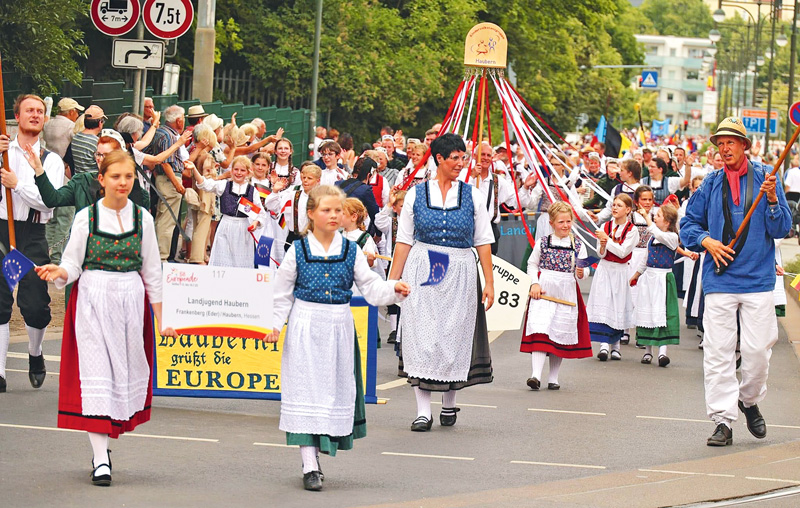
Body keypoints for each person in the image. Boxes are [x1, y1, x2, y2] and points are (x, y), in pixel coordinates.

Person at [34, 150, 176, 486]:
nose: (123, 182)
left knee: (119, 380)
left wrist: (161, 318)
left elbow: (152, 272)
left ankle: (104, 448)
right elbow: (72, 265)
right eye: (116, 176)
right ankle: (100, 459)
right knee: (96, 377)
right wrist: (60, 271)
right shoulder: (86, 218)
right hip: (93, 301)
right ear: (102, 180)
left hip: (129, 302)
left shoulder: (143, 219)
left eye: (128, 176)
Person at [265, 185, 408, 491]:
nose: (333, 215)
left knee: (330, 392)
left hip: (338, 326)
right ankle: (309, 464)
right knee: (306, 391)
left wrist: (395, 288)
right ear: (311, 214)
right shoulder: (298, 250)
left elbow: (371, 287)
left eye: (337, 210)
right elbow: (281, 294)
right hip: (306, 324)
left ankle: (316, 456)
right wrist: (276, 326)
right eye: (326, 210)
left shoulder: (351, 250)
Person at [680, 117, 791, 447]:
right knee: (718, 353)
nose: (724, 148)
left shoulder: (767, 178)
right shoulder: (710, 183)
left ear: (746, 146)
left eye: (731, 142)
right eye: (720, 143)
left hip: (757, 279)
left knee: (758, 352)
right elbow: (688, 224)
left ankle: (748, 399)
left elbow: (781, 228)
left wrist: (772, 201)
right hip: (719, 279)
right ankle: (722, 420)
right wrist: (705, 241)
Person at [388, 133, 495, 432]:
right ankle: (423, 411)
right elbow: (404, 240)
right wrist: (393, 280)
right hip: (423, 266)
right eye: (455, 158)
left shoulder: (472, 194)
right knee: (421, 337)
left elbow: (484, 240)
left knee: (453, 335)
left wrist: (489, 282)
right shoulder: (415, 194)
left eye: (463, 158)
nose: (461, 163)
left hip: (460, 268)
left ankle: (449, 403)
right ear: (439, 159)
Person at [0, 95, 64, 393]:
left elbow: (46, 202)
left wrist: (18, 184)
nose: (35, 115)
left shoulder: (51, 161)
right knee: (0, 301)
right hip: (3, 231)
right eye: (29, 110)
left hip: (32, 235)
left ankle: (36, 354)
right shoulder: (3, 152)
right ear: (17, 116)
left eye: (40, 111)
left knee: (35, 304)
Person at [521, 202, 592, 390]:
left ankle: (553, 378)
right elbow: (532, 264)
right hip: (544, 291)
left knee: (558, 332)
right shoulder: (543, 242)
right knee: (540, 328)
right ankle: (535, 375)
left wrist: (581, 272)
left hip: (566, 291)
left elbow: (585, 272)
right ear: (552, 223)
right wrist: (534, 283)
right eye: (561, 222)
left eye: (568, 221)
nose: (565, 225)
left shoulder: (577, 245)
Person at [586, 194, 639, 361]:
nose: (615, 208)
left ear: (628, 210)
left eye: (619, 205)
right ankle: (603, 345)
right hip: (605, 269)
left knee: (618, 304)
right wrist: (602, 246)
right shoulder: (605, 226)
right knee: (604, 302)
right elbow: (600, 254)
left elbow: (623, 252)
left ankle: (615, 346)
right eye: (614, 205)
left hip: (620, 271)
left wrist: (606, 241)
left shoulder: (633, 230)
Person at [189, 156, 265, 267]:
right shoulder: (224, 185)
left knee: (241, 262)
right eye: (236, 169)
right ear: (231, 170)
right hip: (225, 225)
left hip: (243, 228)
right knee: (223, 259)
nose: (239, 173)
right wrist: (194, 169)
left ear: (248, 172)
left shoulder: (252, 191)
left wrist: (255, 223)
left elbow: (261, 214)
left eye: (242, 170)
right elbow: (205, 184)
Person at [630, 204, 681, 367]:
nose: (654, 217)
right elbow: (646, 258)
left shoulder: (672, 237)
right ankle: (648, 351)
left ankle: (662, 352)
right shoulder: (653, 238)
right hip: (649, 278)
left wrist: (645, 217)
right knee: (648, 312)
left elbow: (656, 233)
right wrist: (636, 275)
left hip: (663, 278)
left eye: (658, 215)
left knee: (663, 314)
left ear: (667, 222)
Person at [148, 105, 186, 261]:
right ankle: (161, 257)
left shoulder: (160, 132)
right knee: (167, 221)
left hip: (162, 178)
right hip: (170, 179)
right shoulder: (170, 136)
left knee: (162, 218)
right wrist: (177, 184)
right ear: (178, 120)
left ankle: (157, 254)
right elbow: (165, 162)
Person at [467, 142, 517, 255]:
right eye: (482, 154)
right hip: (468, 230)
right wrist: (472, 177)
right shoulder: (465, 176)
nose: (485, 158)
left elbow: (515, 201)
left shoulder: (498, 181)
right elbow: (460, 196)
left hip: (490, 231)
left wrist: (526, 187)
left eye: (488, 155)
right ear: (474, 156)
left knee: (489, 268)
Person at [266, 162, 322, 253]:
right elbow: (273, 206)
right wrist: (275, 191)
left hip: (316, 239)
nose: (305, 181)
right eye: (304, 177)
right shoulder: (293, 195)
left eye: (310, 178)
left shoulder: (324, 197)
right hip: (295, 238)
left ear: (318, 180)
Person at [69, 105, 106, 175]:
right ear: (100, 123)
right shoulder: (97, 142)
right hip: (93, 183)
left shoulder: (75, 138)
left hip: (78, 181)